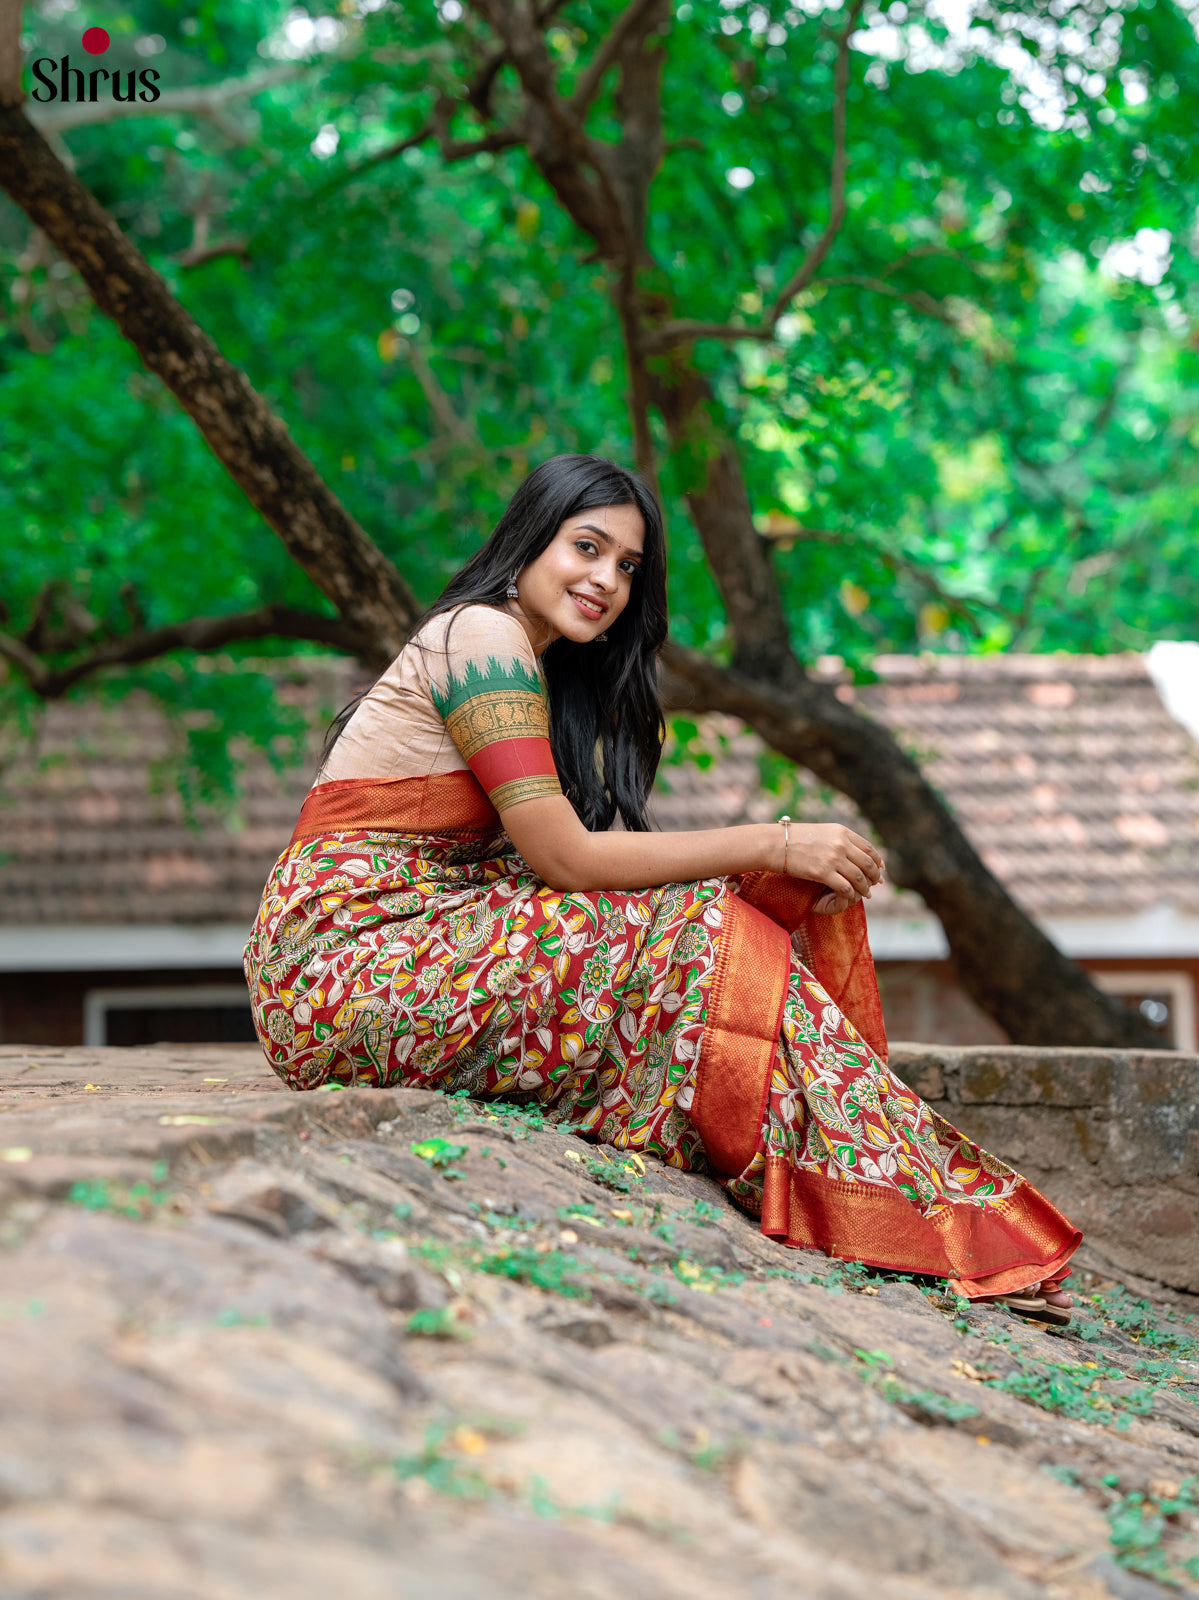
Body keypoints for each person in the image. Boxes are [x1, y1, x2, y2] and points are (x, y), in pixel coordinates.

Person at [244, 453, 1079, 1322]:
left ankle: (896, 1204)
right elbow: (565, 860)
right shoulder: (480, 636)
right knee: (698, 929)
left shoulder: (528, 659)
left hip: (394, 960)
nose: (606, 580)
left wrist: (760, 868)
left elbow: (558, 869)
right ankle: (917, 1212)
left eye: (628, 566)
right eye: (586, 547)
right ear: (528, 540)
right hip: (344, 968)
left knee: (703, 925)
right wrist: (775, 843)